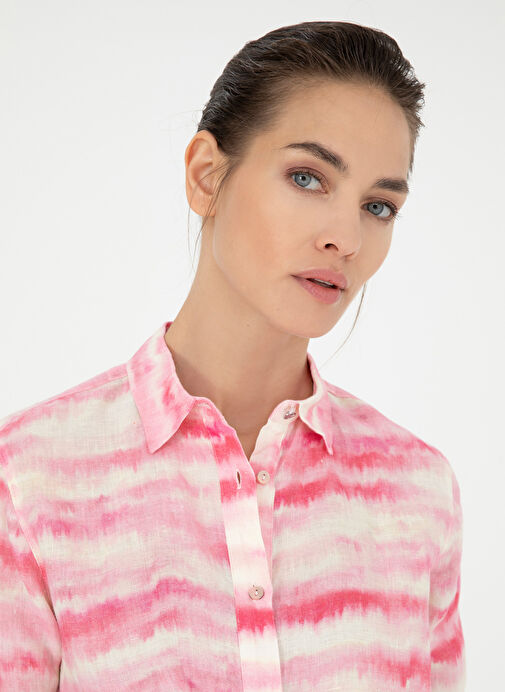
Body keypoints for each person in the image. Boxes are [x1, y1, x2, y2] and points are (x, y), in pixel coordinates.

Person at [0, 20, 465, 691]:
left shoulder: (416, 492)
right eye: (307, 177)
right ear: (206, 176)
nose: (346, 237)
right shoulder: (30, 478)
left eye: (379, 206)